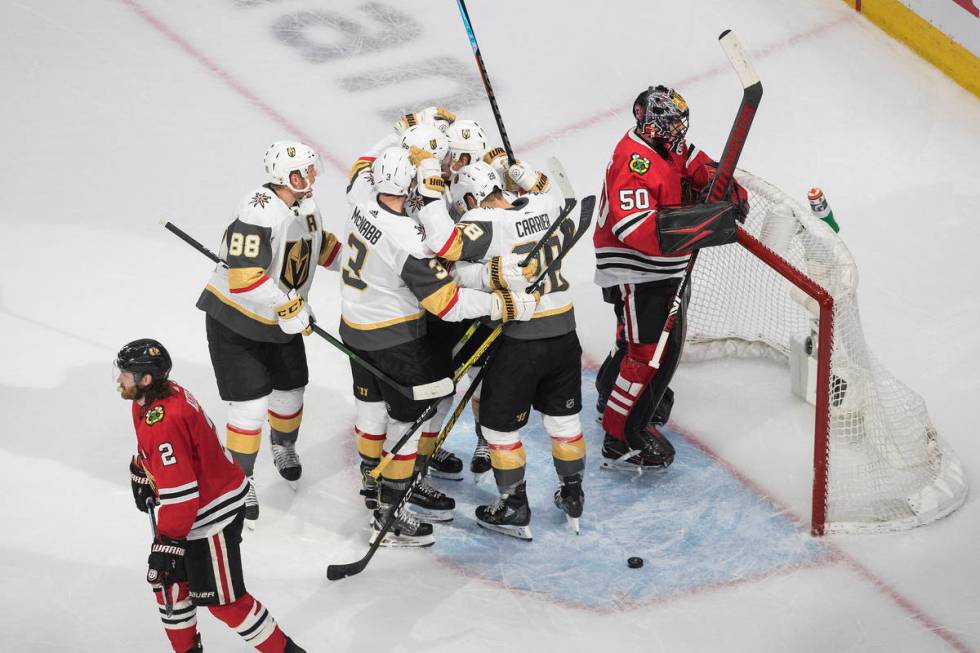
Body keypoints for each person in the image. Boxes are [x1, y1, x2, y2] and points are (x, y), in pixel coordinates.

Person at [341, 145, 539, 547]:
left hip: (354, 328)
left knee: (377, 410)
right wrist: (503, 302)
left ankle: (375, 481)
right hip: (393, 339)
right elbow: (446, 304)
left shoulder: (362, 201)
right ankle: (391, 513)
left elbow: (362, 166)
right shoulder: (407, 238)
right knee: (407, 424)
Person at [593, 85, 746, 471]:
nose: (679, 128)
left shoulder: (670, 144)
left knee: (653, 348)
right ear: (652, 123)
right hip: (637, 270)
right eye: (672, 121)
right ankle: (620, 437)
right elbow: (639, 231)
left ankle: (615, 395)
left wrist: (723, 185)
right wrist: (705, 223)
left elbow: (703, 166)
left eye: (680, 121)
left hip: (665, 266)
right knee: (648, 353)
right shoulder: (632, 161)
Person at [117, 339, 304, 653]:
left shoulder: (163, 420)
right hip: (193, 511)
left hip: (212, 515)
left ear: (145, 379)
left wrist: (168, 542)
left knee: (226, 604)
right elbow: (173, 456)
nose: (119, 379)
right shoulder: (154, 400)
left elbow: (183, 492)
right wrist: (142, 468)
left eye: (125, 373)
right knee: (170, 588)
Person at [195, 141, 341, 528]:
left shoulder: (305, 205)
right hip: (236, 321)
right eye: (307, 171)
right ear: (289, 176)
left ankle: (283, 446)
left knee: (291, 392)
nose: (313, 177)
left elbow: (317, 246)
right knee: (250, 407)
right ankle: (239, 482)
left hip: (278, 318)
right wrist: (290, 306)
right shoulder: (256, 209)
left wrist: (356, 263)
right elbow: (244, 279)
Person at [448, 161, 586, 538]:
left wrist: (487, 272)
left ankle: (513, 506)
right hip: (565, 334)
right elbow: (565, 206)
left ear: (473, 199)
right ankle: (573, 496)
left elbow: (446, 265)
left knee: (498, 427)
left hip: (519, 342)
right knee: (564, 422)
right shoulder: (544, 205)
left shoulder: (480, 220)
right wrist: (537, 181)